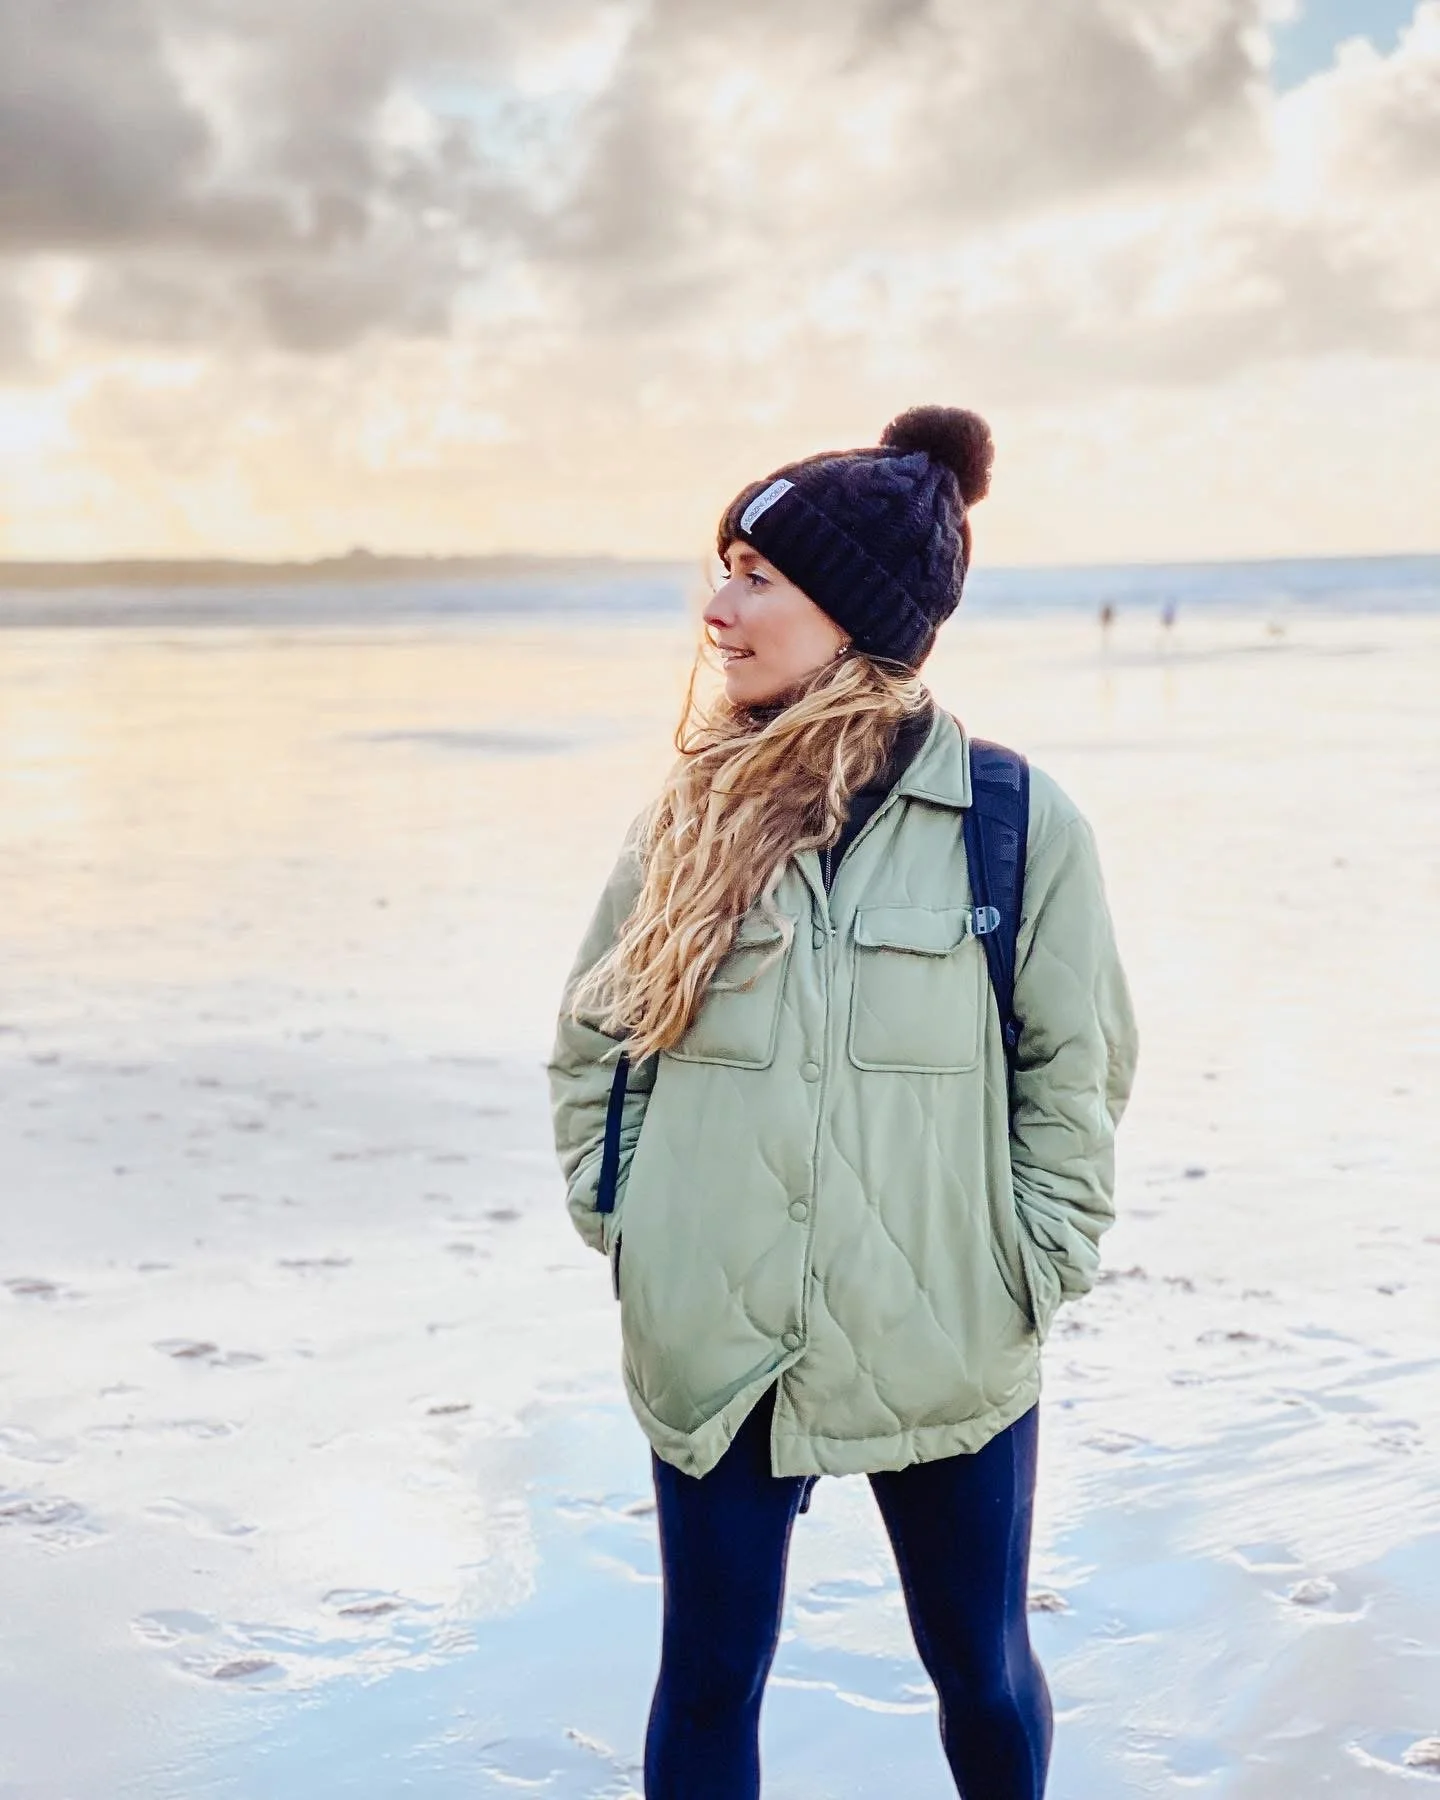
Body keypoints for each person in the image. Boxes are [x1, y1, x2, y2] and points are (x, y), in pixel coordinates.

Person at [548, 405, 1138, 1799]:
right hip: (716, 1342)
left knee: (982, 1678)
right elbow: (594, 1043)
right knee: (705, 1686)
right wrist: (630, 1218)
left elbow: (1079, 1065)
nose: (719, 608)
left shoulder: (1015, 821)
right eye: (724, 569)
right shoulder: (681, 823)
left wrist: (1031, 1262)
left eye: (756, 577)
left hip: (945, 1331)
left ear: (853, 613)